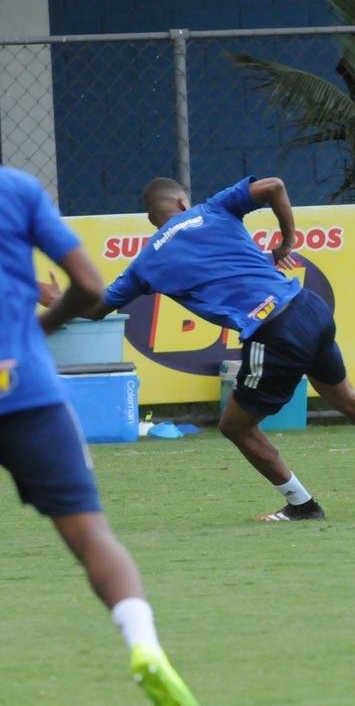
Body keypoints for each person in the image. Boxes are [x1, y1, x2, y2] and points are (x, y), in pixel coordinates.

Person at [44, 176, 355, 521]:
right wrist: (287, 239)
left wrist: (56, 297)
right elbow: (274, 186)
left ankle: (302, 506)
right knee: (347, 397)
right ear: (182, 202)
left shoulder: (146, 262)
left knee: (235, 425)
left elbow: (96, 308)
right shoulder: (213, 209)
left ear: (153, 220)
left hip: (273, 329)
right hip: (308, 307)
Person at [2, 166, 197, 705]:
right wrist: (33, 330)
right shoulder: (16, 189)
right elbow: (88, 287)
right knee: (92, 537)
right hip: (26, 390)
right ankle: (145, 647)